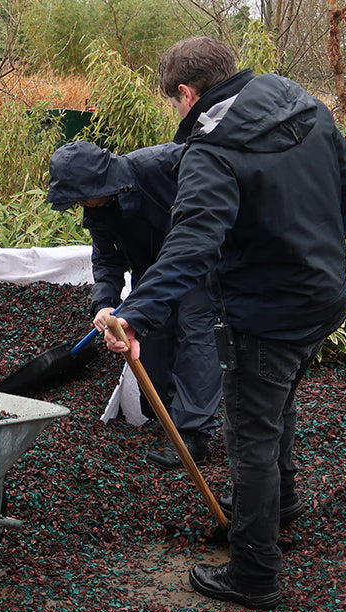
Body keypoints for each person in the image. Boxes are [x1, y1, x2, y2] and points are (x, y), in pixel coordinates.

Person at [105, 36, 346, 610]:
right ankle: (283, 505)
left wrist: (136, 313)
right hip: (321, 297)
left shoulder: (212, 151)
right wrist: (322, 250)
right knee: (280, 404)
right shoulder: (303, 104)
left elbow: (191, 245)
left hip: (266, 312)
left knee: (249, 436)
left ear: (187, 93)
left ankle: (253, 570)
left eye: (176, 103)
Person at [47, 140, 222, 469]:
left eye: (83, 195)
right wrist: (105, 303)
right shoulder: (98, 208)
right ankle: (168, 417)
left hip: (198, 262)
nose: (82, 203)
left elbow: (217, 182)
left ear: (103, 181)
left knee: (193, 328)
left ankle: (194, 434)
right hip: (152, 271)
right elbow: (106, 259)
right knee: (149, 334)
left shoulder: (164, 165)